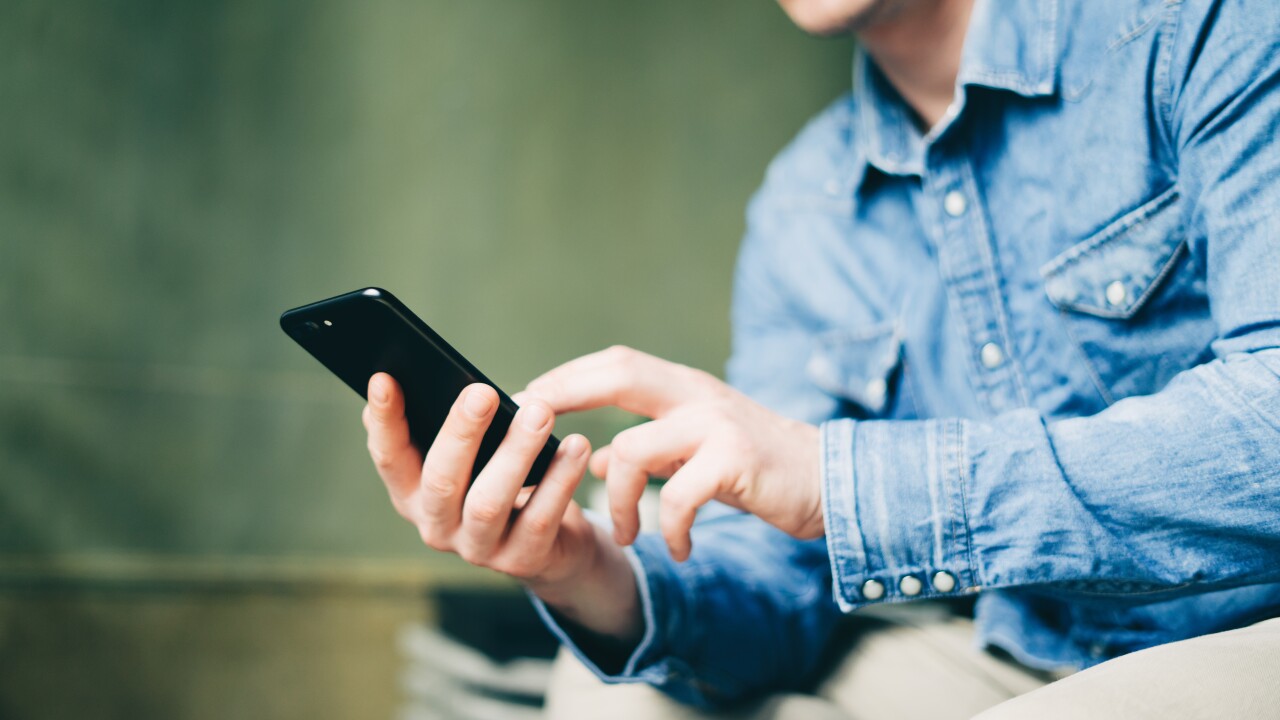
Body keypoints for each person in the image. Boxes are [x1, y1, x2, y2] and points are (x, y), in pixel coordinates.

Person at [361, 0, 1280, 716]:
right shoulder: (808, 206)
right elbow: (772, 588)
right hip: (1022, 653)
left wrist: (839, 482)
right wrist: (580, 571)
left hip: (1255, 632)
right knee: (618, 694)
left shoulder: (1205, 28)